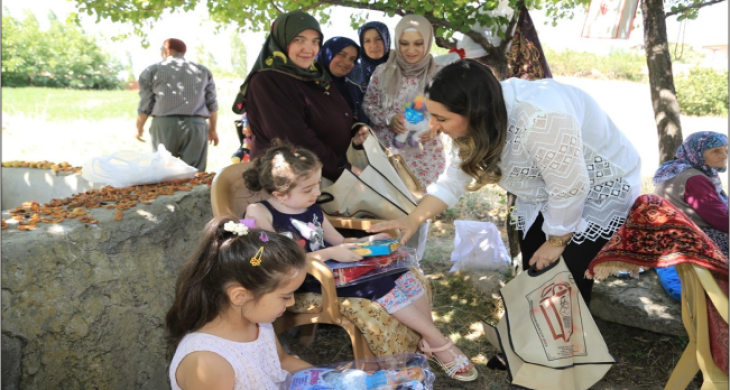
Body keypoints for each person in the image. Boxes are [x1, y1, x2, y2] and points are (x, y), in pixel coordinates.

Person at [370, 59, 642, 306]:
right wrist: (413, 219)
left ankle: (564, 354)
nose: (433, 126)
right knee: (535, 269)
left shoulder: (540, 116)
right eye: (431, 115)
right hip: (548, 190)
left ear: (474, 112)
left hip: (601, 187)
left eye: (441, 118)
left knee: (565, 276)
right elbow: (453, 180)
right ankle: (530, 346)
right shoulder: (479, 118)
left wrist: (557, 240)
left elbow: (570, 187)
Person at [243, 144, 478, 382]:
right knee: (377, 285)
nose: (316, 192)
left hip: (335, 270)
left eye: (317, 184)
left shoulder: (310, 207)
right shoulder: (260, 212)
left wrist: (370, 241)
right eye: (308, 189)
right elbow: (276, 261)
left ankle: (427, 340)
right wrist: (334, 252)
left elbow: (338, 240)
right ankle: (438, 342)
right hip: (307, 278)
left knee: (401, 270)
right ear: (280, 193)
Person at [165, 217, 312, 390]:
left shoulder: (259, 324)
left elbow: (283, 361)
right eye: (285, 296)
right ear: (240, 296)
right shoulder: (208, 361)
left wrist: (328, 379)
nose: (292, 302)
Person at [234, 11, 369, 182]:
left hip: (318, 177)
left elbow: (337, 112)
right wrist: (343, 169)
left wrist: (354, 128)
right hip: (285, 187)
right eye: (299, 39)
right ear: (282, 40)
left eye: (315, 41)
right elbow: (295, 140)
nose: (308, 49)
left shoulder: (316, 76)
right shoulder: (267, 81)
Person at [363, 15, 445, 189]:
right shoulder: (382, 71)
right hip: (386, 155)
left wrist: (435, 126)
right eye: (404, 43)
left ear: (428, 42)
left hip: (425, 159)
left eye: (418, 43)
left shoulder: (439, 75)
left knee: (421, 211)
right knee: (387, 210)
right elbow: (368, 105)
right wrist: (389, 118)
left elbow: (449, 111)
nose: (411, 50)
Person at [136, 38, 219, 172]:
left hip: (164, 125)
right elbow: (212, 103)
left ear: (167, 50)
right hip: (195, 125)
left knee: (162, 171)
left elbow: (146, 103)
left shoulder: (152, 70)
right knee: (195, 173)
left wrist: (139, 127)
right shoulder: (202, 71)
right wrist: (213, 129)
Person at [654, 131, 728, 254]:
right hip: (691, 238)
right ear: (697, 153)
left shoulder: (676, 168)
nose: (724, 155)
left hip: (675, 233)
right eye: (716, 151)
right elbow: (722, 220)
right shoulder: (694, 179)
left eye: (725, 150)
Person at [316, 37, 367, 123]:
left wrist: (359, 128)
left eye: (352, 59)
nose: (347, 62)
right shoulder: (310, 84)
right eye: (342, 55)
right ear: (327, 54)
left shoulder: (352, 89)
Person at [350, 21, 391, 89]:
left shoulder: (405, 69)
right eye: (367, 41)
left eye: (378, 39)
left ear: (386, 40)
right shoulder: (350, 73)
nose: (374, 45)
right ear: (362, 45)